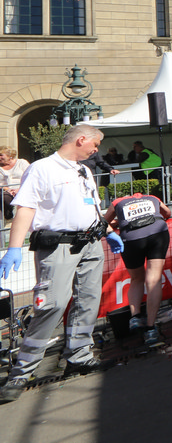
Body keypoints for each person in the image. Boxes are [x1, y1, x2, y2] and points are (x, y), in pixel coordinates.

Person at [0, 125, 123, 403]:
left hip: (90, 243)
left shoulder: (83, 170)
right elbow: (26, 208)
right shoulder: (42, 168)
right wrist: (14, 247)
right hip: (58, 246)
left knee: (88, 300)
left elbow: (92, 207)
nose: (97, 150)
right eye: (95, 144)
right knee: (52, 304)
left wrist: (108, 232)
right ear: (81, 139)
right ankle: (21, 372)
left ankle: (79, 356)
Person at [102, 192, 171, 347]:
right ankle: (150, 328)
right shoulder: (153, 197)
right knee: (153, 280)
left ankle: (135, 317)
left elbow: (103, 222)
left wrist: (118, 223)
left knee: (136, 278)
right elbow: (167, 213)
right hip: (157, 233)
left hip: (131, 237)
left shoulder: (117, 202)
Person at [0, 146, 30, 222]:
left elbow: (30, 177)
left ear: (9, 155)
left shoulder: (22, 163)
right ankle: (8, 217)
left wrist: (19, 189)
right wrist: (7, 189)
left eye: (1, 155)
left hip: (23, 189)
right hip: (5, 191)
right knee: (4, 197)